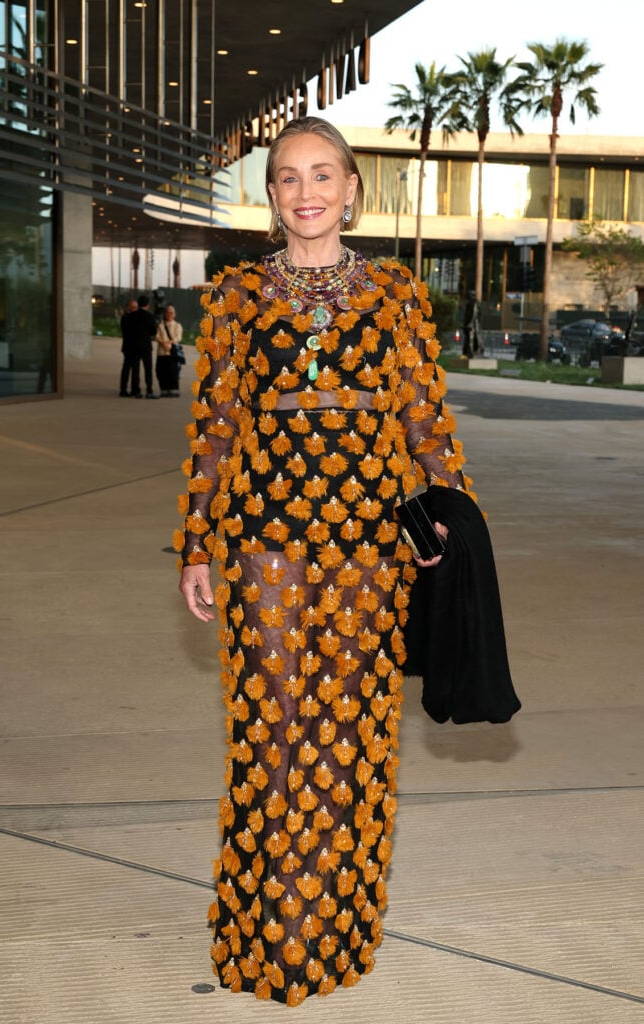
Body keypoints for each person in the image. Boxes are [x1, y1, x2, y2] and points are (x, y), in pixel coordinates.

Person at [175, 116, 473, 1006]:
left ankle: (332, 939)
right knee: (269, 732)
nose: (304, 193)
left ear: (350, 190)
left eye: (321, 176)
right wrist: (198, 541)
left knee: (350, 734)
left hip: (369, 548)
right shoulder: (234, 298)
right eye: (285, 179)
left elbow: (423, 419)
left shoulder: (395, 294)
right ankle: (261, 938)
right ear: (270, 198)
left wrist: (451, 516)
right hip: (264, 538)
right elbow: (216, 427)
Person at [132, 295, 158, 398]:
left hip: (134, 345)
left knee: (135, 369)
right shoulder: (150, 316)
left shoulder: (132, 316)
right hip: (146, 345)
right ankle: (149, 391)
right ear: (147, 305)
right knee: (148, 369)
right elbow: (153, 331)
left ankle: (136, 391)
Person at [155, 304, 183, 396]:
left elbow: (178, 338)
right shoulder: (160, 325)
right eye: (167, 312)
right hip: (161, 352)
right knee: (160, 371)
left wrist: (169, 343)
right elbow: (157, 336)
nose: (169, 314)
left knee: (172, 372)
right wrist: (164, 343)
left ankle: (173, 390)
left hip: (172, 352)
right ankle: (164, 389)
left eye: (171, 312)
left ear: (174, 314)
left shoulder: (177, 325)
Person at [119, 298, 139, 396]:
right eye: (132, 307)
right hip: (129, 346)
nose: (134, 309)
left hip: (132, 346)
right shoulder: (126, 318)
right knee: (127, 368)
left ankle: (134, 389)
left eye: (135, 307)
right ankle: (124, 389)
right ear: (128, 307)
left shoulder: (127, 317)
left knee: (134, 368)